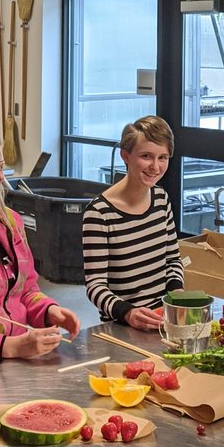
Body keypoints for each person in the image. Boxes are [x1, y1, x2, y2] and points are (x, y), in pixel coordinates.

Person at [0, 133, 80, 360]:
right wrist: (10, 347)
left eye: (0, 167)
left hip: (14, 361)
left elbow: (26, 289)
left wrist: (48, 310)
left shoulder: (10, 222)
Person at [83, 115, 183, 330]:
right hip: (123, 326)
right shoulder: (99, 213)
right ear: (125, 156)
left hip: (163, 319)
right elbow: (95, 286)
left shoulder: (161, 199)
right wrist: (127, 313)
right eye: (146, 156)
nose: (155, 167)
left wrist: (176, 294)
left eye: (163, 157)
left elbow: (173, 260)